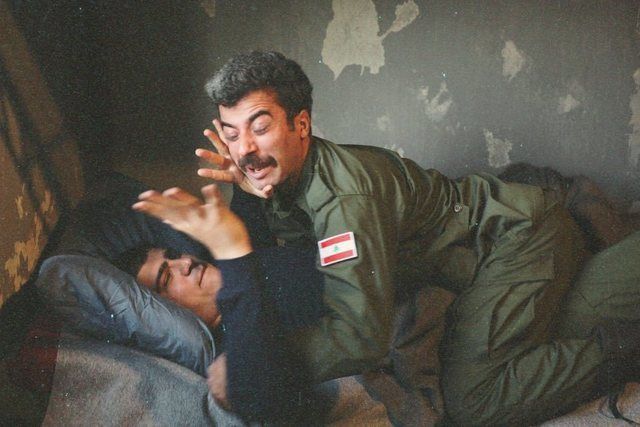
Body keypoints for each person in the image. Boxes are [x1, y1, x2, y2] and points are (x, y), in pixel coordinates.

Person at [136, 51, 640, 425]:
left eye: (259, 127)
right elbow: (288, 246)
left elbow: (362, 337)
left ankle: (628, 345)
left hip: (512, 239)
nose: (244, 148)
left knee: (473, 401)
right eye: (230, 133)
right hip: (489, 242)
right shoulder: (287, 177)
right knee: (563, 324)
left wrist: (262, 361)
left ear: (301, 125)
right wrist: (248, 193)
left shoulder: (344, 200)